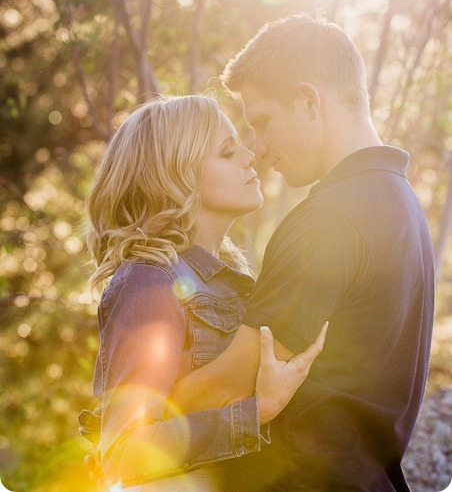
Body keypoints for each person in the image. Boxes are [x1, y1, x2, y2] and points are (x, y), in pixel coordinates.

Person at [171, 16, 435, 491]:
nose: (261, 149)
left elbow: (230, 387)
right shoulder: (402, 202)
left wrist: (133, 418)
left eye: (263, 122)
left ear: (310, 100)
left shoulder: (330, 220)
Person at [79, 94, 327, 491]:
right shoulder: (150, 281)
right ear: (176, 175)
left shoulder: (233, 280)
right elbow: (124, 452)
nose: (251, 155)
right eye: (228, 153)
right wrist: (256, 411)